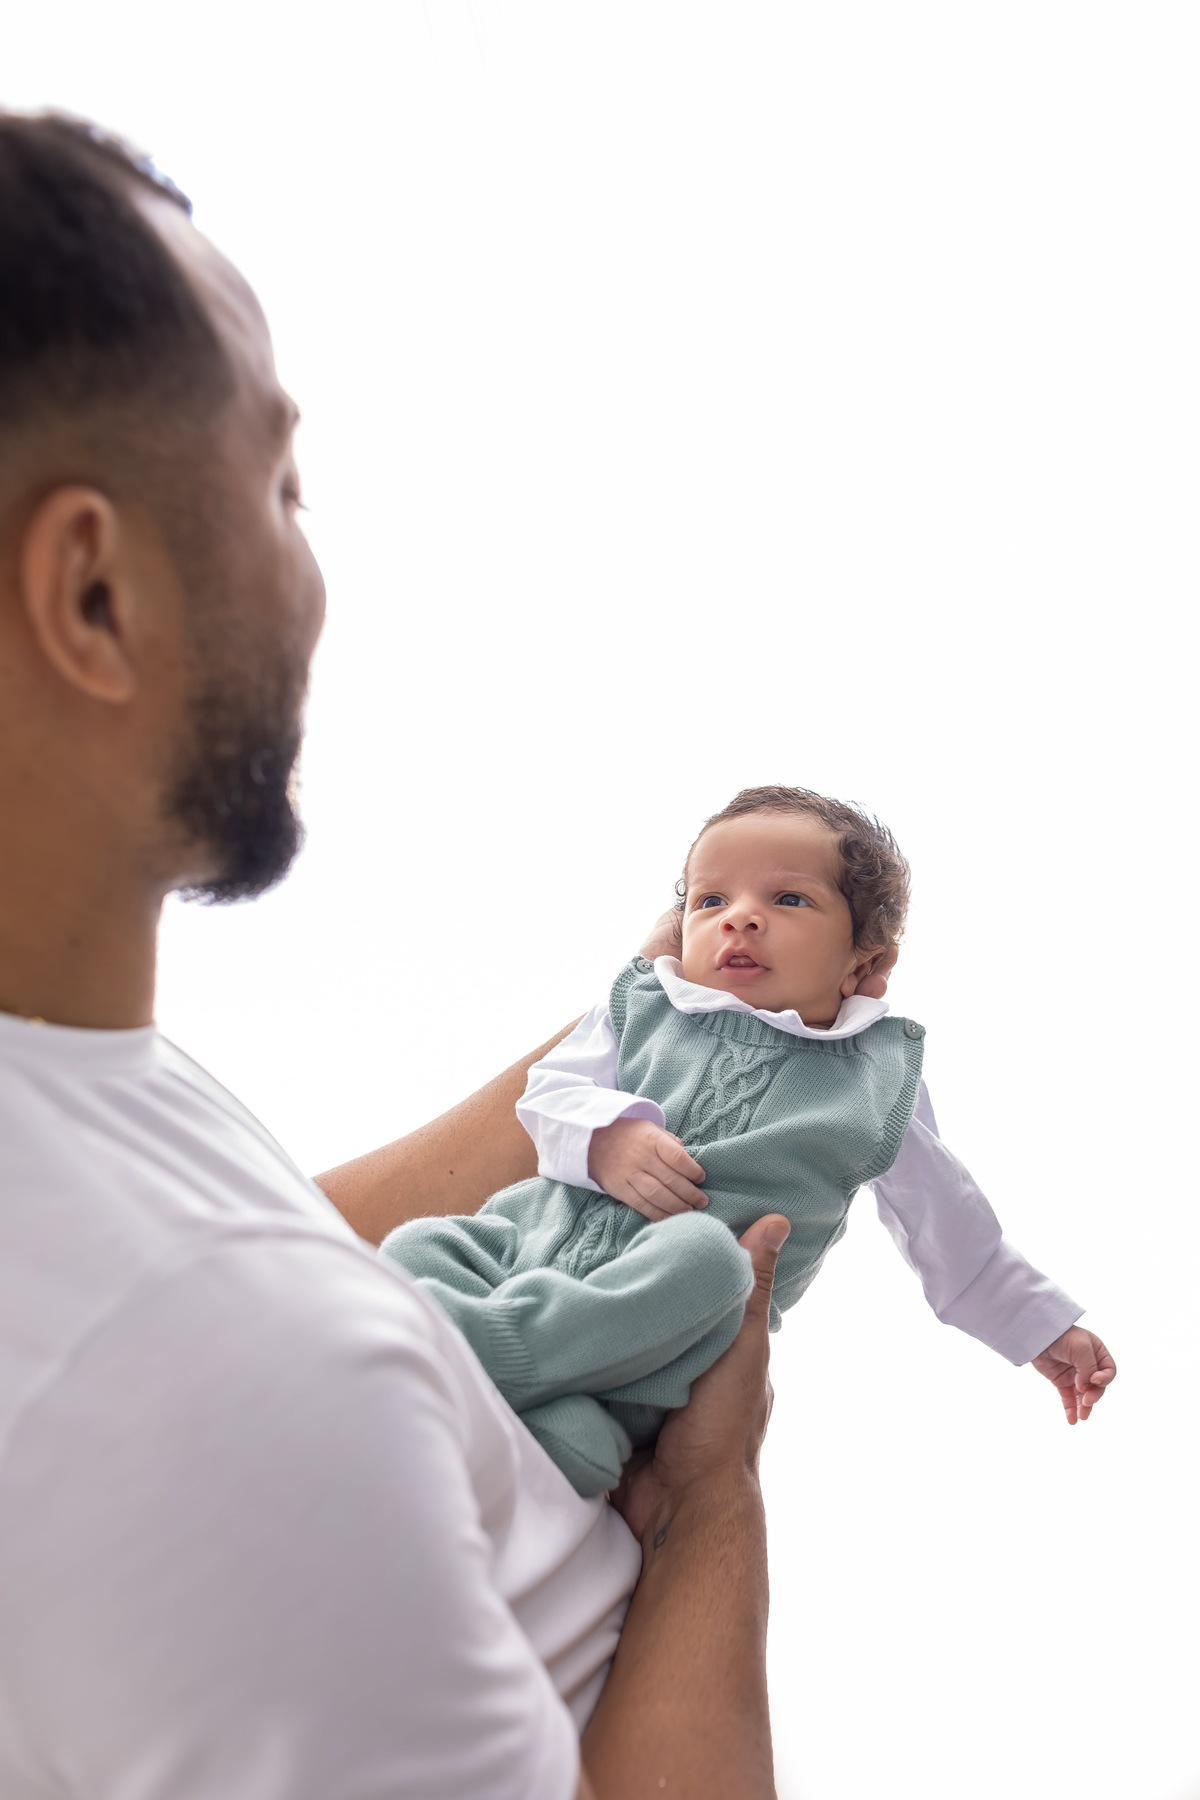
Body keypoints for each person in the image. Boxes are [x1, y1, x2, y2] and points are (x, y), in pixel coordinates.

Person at [0, 110, 795, 1799]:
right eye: (278, 485)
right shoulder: (216, 1400)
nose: (311, 575)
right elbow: (226, 1334)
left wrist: (637, 1029)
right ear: (89, 596)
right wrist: (716, 1511)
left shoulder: (65, 1101)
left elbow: (250, 1253)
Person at [380, 787, 1117, 1496]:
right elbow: (548, 1094)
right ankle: (552, 1411)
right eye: (710, 901)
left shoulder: (876, 1077)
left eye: (788, 899)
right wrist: (604, 1138)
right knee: (420, 1244)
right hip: (528, 1247)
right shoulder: (644, 999)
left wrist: (1041, 1327)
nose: (740, 919)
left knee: (709, 1258)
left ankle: (504, 1365)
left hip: (654, 1341)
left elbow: (953, 1228)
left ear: (866, 960)